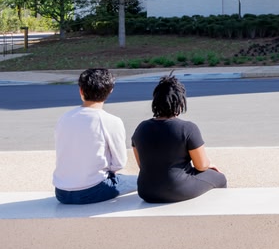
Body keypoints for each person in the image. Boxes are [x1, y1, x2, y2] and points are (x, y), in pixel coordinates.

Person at [132, 74, 228, 203]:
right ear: (180, 102)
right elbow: (201, 166)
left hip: (146, 191)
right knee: (219, 178)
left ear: (155, 102)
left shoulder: (141, 128)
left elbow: (142, 165)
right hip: (178, 189)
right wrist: (210, 165)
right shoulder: (187, 128)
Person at [53, 68, 136, 204]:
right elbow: (119, 163)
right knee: (140, 180)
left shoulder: (64, 118)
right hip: (93, 190)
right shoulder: (112, 121)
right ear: (110, 91)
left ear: (81, 91)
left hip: (61, 193)